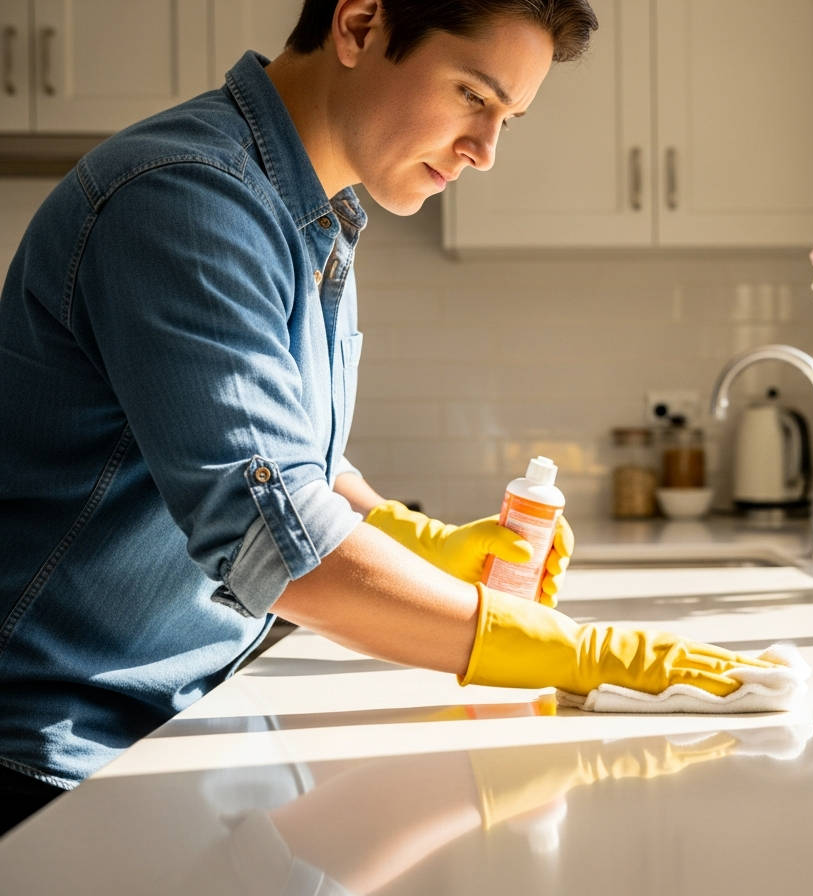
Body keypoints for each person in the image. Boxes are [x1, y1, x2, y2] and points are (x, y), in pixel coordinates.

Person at [0, 0, 771, 837]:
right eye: (475, 97)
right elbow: (274, 539)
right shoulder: (186, 199)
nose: (486, 151)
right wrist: (572, 654)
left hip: (162, 729)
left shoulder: (308, 210)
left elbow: (292, 460)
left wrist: (420, 540)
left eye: (508, 116)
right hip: (49, 764)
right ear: (361, 26)